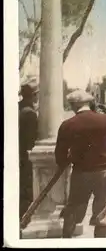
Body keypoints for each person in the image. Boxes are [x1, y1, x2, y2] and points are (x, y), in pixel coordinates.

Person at [55, 90, 106, 238]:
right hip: (105, 172)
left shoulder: (67, 125)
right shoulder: (105, 119)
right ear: (90, 103)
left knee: (73, 210)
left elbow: (60, 157)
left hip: (80, 173)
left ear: (73, 105)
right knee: (102, 217)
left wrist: (72, 158)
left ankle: (65, 241)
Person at [18, 77, 39, 219]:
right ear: (34, 95)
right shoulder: (30, 113)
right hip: (25, 158)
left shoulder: (18, 108)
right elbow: (30, 141)